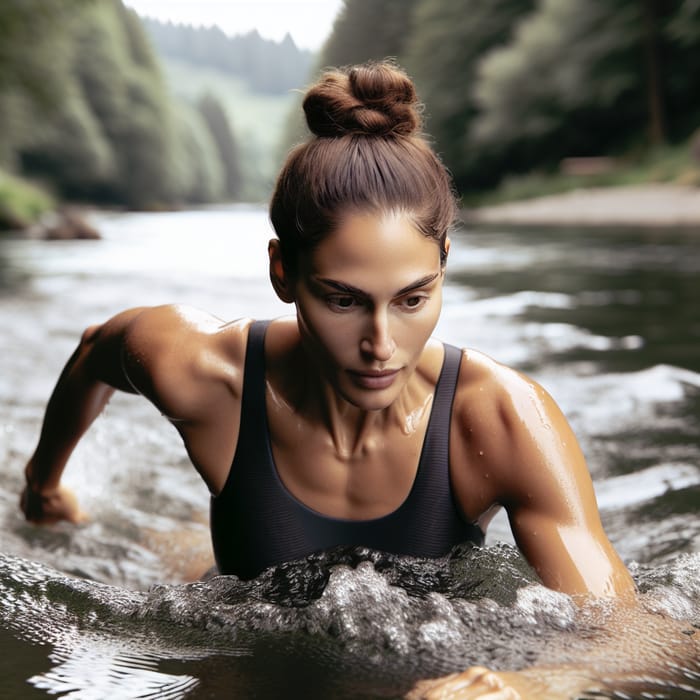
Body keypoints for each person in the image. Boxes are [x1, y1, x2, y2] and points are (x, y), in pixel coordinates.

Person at [21, 61, 638, 697]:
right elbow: (95, 350)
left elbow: (635, 639)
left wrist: (531, 688)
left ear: (444, 261)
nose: (381, 345)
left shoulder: (504, 418)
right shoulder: (205, 374)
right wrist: (44, 484)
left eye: (412, 298)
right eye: (342, 300)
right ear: (282, 272)